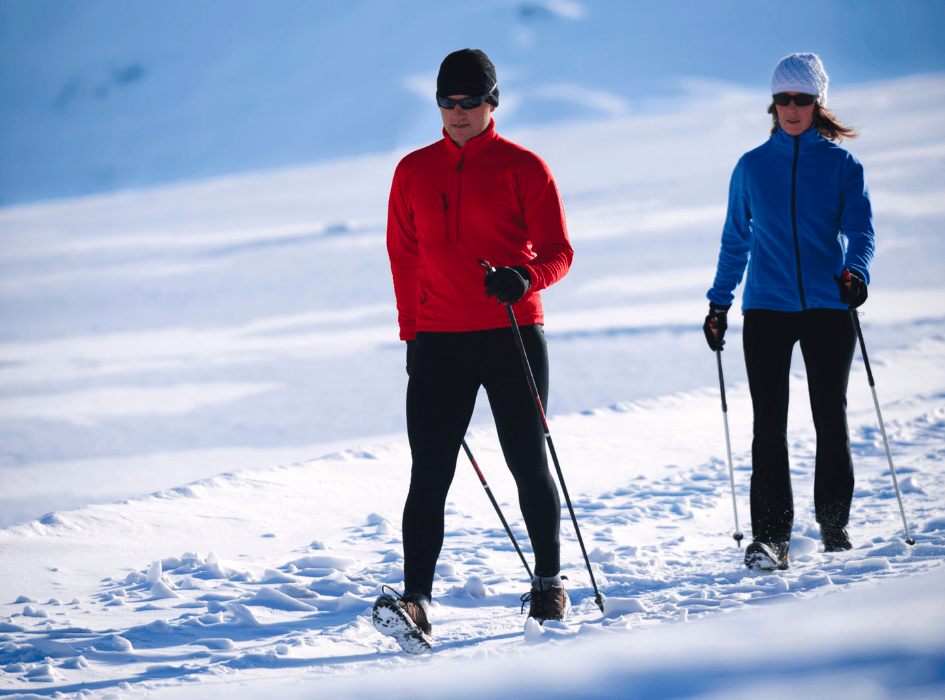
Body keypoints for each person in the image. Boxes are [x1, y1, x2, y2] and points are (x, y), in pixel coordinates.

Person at [372, 48, 574, 653]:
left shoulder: (524, 167)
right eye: (447, 102)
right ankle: (417, 602)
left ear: (492, 102)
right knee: (428, 473)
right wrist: (412, 332)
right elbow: (403, 257)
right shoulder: (412, 169)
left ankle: (547, 583)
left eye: (469, 102)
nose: (458, 113)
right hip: (438, 343)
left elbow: (559, 251)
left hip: (511, 335)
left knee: (526, 462)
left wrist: (523, 276)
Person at [703, 53, 874, 572]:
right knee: (768, 425)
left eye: (802, 99)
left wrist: (857, 273)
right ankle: (771, 537)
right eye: (783, 99)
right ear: (772, 104)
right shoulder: (752, 167)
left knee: (831, 416)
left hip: (828, 306)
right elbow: (736, 240)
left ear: (818, 103)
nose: (792, 108)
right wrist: (719, 302)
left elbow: (861, 231)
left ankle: (834, 524)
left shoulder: (843, 166)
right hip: (768, 309)